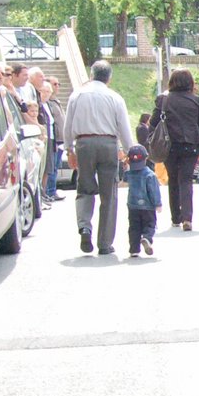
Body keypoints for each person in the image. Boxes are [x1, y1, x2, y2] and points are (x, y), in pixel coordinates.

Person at [64, 60, 134, 256]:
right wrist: (129, 150)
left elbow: (68, 125)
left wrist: (69, 149)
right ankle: (104, 243)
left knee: (85, 187)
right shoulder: (115, 97)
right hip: (108, 144)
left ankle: (85, 226)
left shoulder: (77, 95)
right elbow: (124, 127)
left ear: (91, 75)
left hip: (84, 143)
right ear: (109, 78)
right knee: (109, 194)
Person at [148, 68, 199, 232]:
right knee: (186, 180)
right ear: (190, 83)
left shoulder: (163, 100)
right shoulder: (195, 100)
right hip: (190, 146)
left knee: (173, 179)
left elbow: (153, 123)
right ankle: (187, 218)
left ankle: (176, 217)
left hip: (169, 146)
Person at [123, 145, 161, 257]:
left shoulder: (129, 174)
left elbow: (124, 179)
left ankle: (134, 249)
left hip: (132, 206)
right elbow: (154, 191)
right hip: (148, 207)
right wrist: (157, 204)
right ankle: (147, 238)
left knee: (134, 227)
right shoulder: (150, 175)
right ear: (146, 158)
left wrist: (125, 166)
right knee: (149, 225)